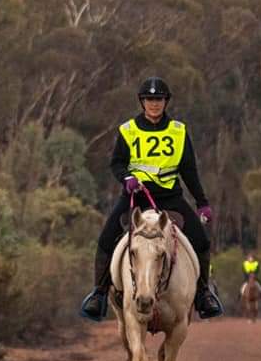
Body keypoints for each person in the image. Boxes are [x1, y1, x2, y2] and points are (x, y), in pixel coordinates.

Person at [79, 77, 224, 321]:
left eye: (158, 99)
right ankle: (99, 294)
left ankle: (203, 294)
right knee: (106, 238)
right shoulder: (128, 130)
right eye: (149, 100)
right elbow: (116, 163)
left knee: (200, 239)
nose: (154, 104)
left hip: (170, 197)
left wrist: (202, 202)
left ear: (166, 102)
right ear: (142, 102)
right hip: (135, 197)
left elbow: (189, 170)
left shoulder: (179, 131)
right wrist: (126, 178)